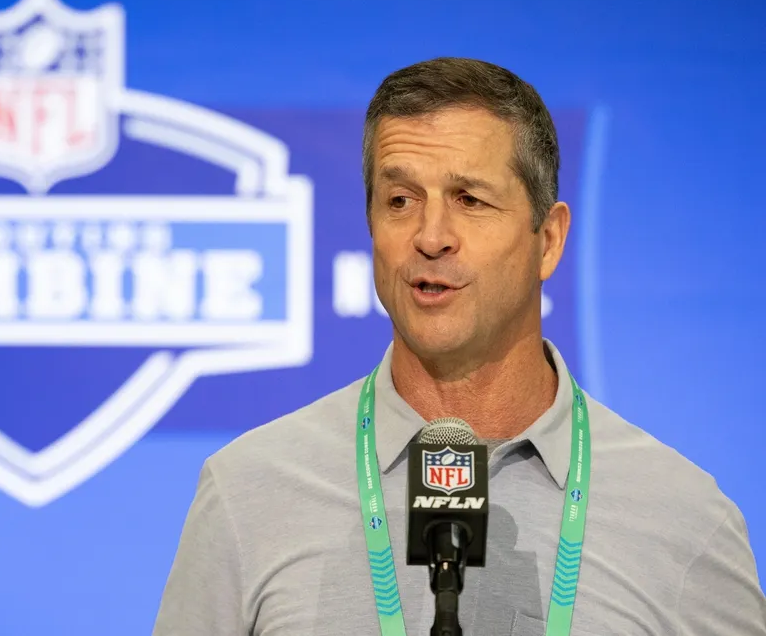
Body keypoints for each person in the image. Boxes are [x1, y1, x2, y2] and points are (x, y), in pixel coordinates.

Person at [152, 58, 766, 635]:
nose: (431, 236)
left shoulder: (685, 520)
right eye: (401, 201)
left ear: (547, 241)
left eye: (470, 200)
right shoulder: (247, 492)